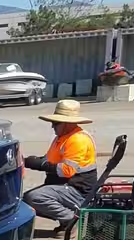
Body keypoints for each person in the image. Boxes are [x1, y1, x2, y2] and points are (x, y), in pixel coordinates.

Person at [21, 99, 96, 232]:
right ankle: (67, 218)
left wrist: (37, 164)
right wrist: (26, 161)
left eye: (56, 123)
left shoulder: (77, 140)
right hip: (65, 186)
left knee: (35, 197)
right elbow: (49, 160)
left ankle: (70, 220)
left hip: (77, 190)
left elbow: (66, 171)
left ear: (67, 124)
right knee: (25, 202)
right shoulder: (61, 138)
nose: (52, 126)